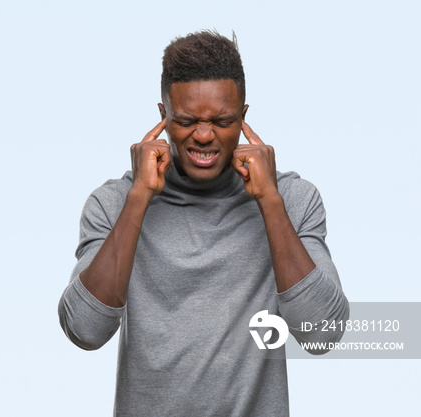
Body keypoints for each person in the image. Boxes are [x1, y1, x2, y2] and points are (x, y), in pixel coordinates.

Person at [57, 30, 349, 416]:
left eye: (222, 121)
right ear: (162, 119)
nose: (205, 135)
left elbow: (322, 332)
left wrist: (269, 202)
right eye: (187, 120)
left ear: (244, 119)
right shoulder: (114, 204)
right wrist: (139, 199)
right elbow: (85, 330)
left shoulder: (291, 200)